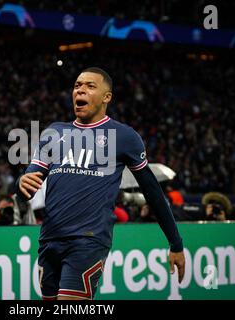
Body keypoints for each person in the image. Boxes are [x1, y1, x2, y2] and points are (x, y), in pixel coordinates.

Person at [16, 67, 185, 300]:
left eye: (89, 86)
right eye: (77, 85)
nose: (80, 90)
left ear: (107, 97)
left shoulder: (124, 137)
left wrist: (175, 243)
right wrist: (21, 181)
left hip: (88, 240)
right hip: (49, 239)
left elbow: (152, 192)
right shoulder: (54, 132)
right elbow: (28, 184)